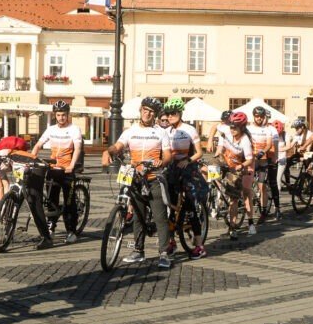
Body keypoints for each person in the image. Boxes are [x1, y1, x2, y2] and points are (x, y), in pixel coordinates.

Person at [101, 97, 173, 268]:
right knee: (138, 217)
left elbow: (168, 155)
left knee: (160, 217)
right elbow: (117, 146)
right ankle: (138, 251)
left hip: (154, 178)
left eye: (152, 112)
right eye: (145, 110)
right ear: (140, 110)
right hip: (135, 178)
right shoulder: (130, 131)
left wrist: (161, 162)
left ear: (155, 115)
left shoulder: (161, 132)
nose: (147, 114)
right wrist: (108, 151)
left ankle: (164, 253)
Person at [161, 97, 208, 259]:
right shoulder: (166, 131)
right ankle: (171, 242)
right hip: (172, 171)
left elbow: (199, 153)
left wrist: (187, 160)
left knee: (190, 207)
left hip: (188, 169)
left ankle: (200, 246)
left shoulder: (190, 129)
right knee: (170, 206)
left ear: (180, 113)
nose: (170, 116)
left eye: (173, 113)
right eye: (168, 114)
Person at [32, 100, 84, 244]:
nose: (61, 118)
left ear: (68, 115)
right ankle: (51, 227)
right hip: (53, 170)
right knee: (50, 200)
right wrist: (32, 157)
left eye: (63, 115)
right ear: (55, 115)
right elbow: (38, 145)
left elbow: (78, 149)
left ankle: (71, 231)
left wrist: (71, 165)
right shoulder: (51, 129)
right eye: (58, 115)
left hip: (67, 170)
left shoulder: (74, 129)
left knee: (69, 202)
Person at [217, 112, 256, 236]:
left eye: (235, 127)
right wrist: (217, 154)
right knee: (206, 170)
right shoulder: (226, 131)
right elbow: (215, 130)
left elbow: (249, 160)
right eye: (231, 126)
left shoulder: (245, 140)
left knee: (244, 193)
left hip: (244, 165)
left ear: (242, 127)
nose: (232, 129)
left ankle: (248, 223)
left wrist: (241, 166)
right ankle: (215, 196)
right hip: (228, 163)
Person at [249, 106, 282, 220]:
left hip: (269, 157)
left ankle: (277, 208)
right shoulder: (249, 128)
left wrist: (275, 158)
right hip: (255, 159)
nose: (261, 119)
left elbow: (275, 145)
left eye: (263, 117)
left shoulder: (272, 129)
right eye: (257, 116)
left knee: (272, 183)